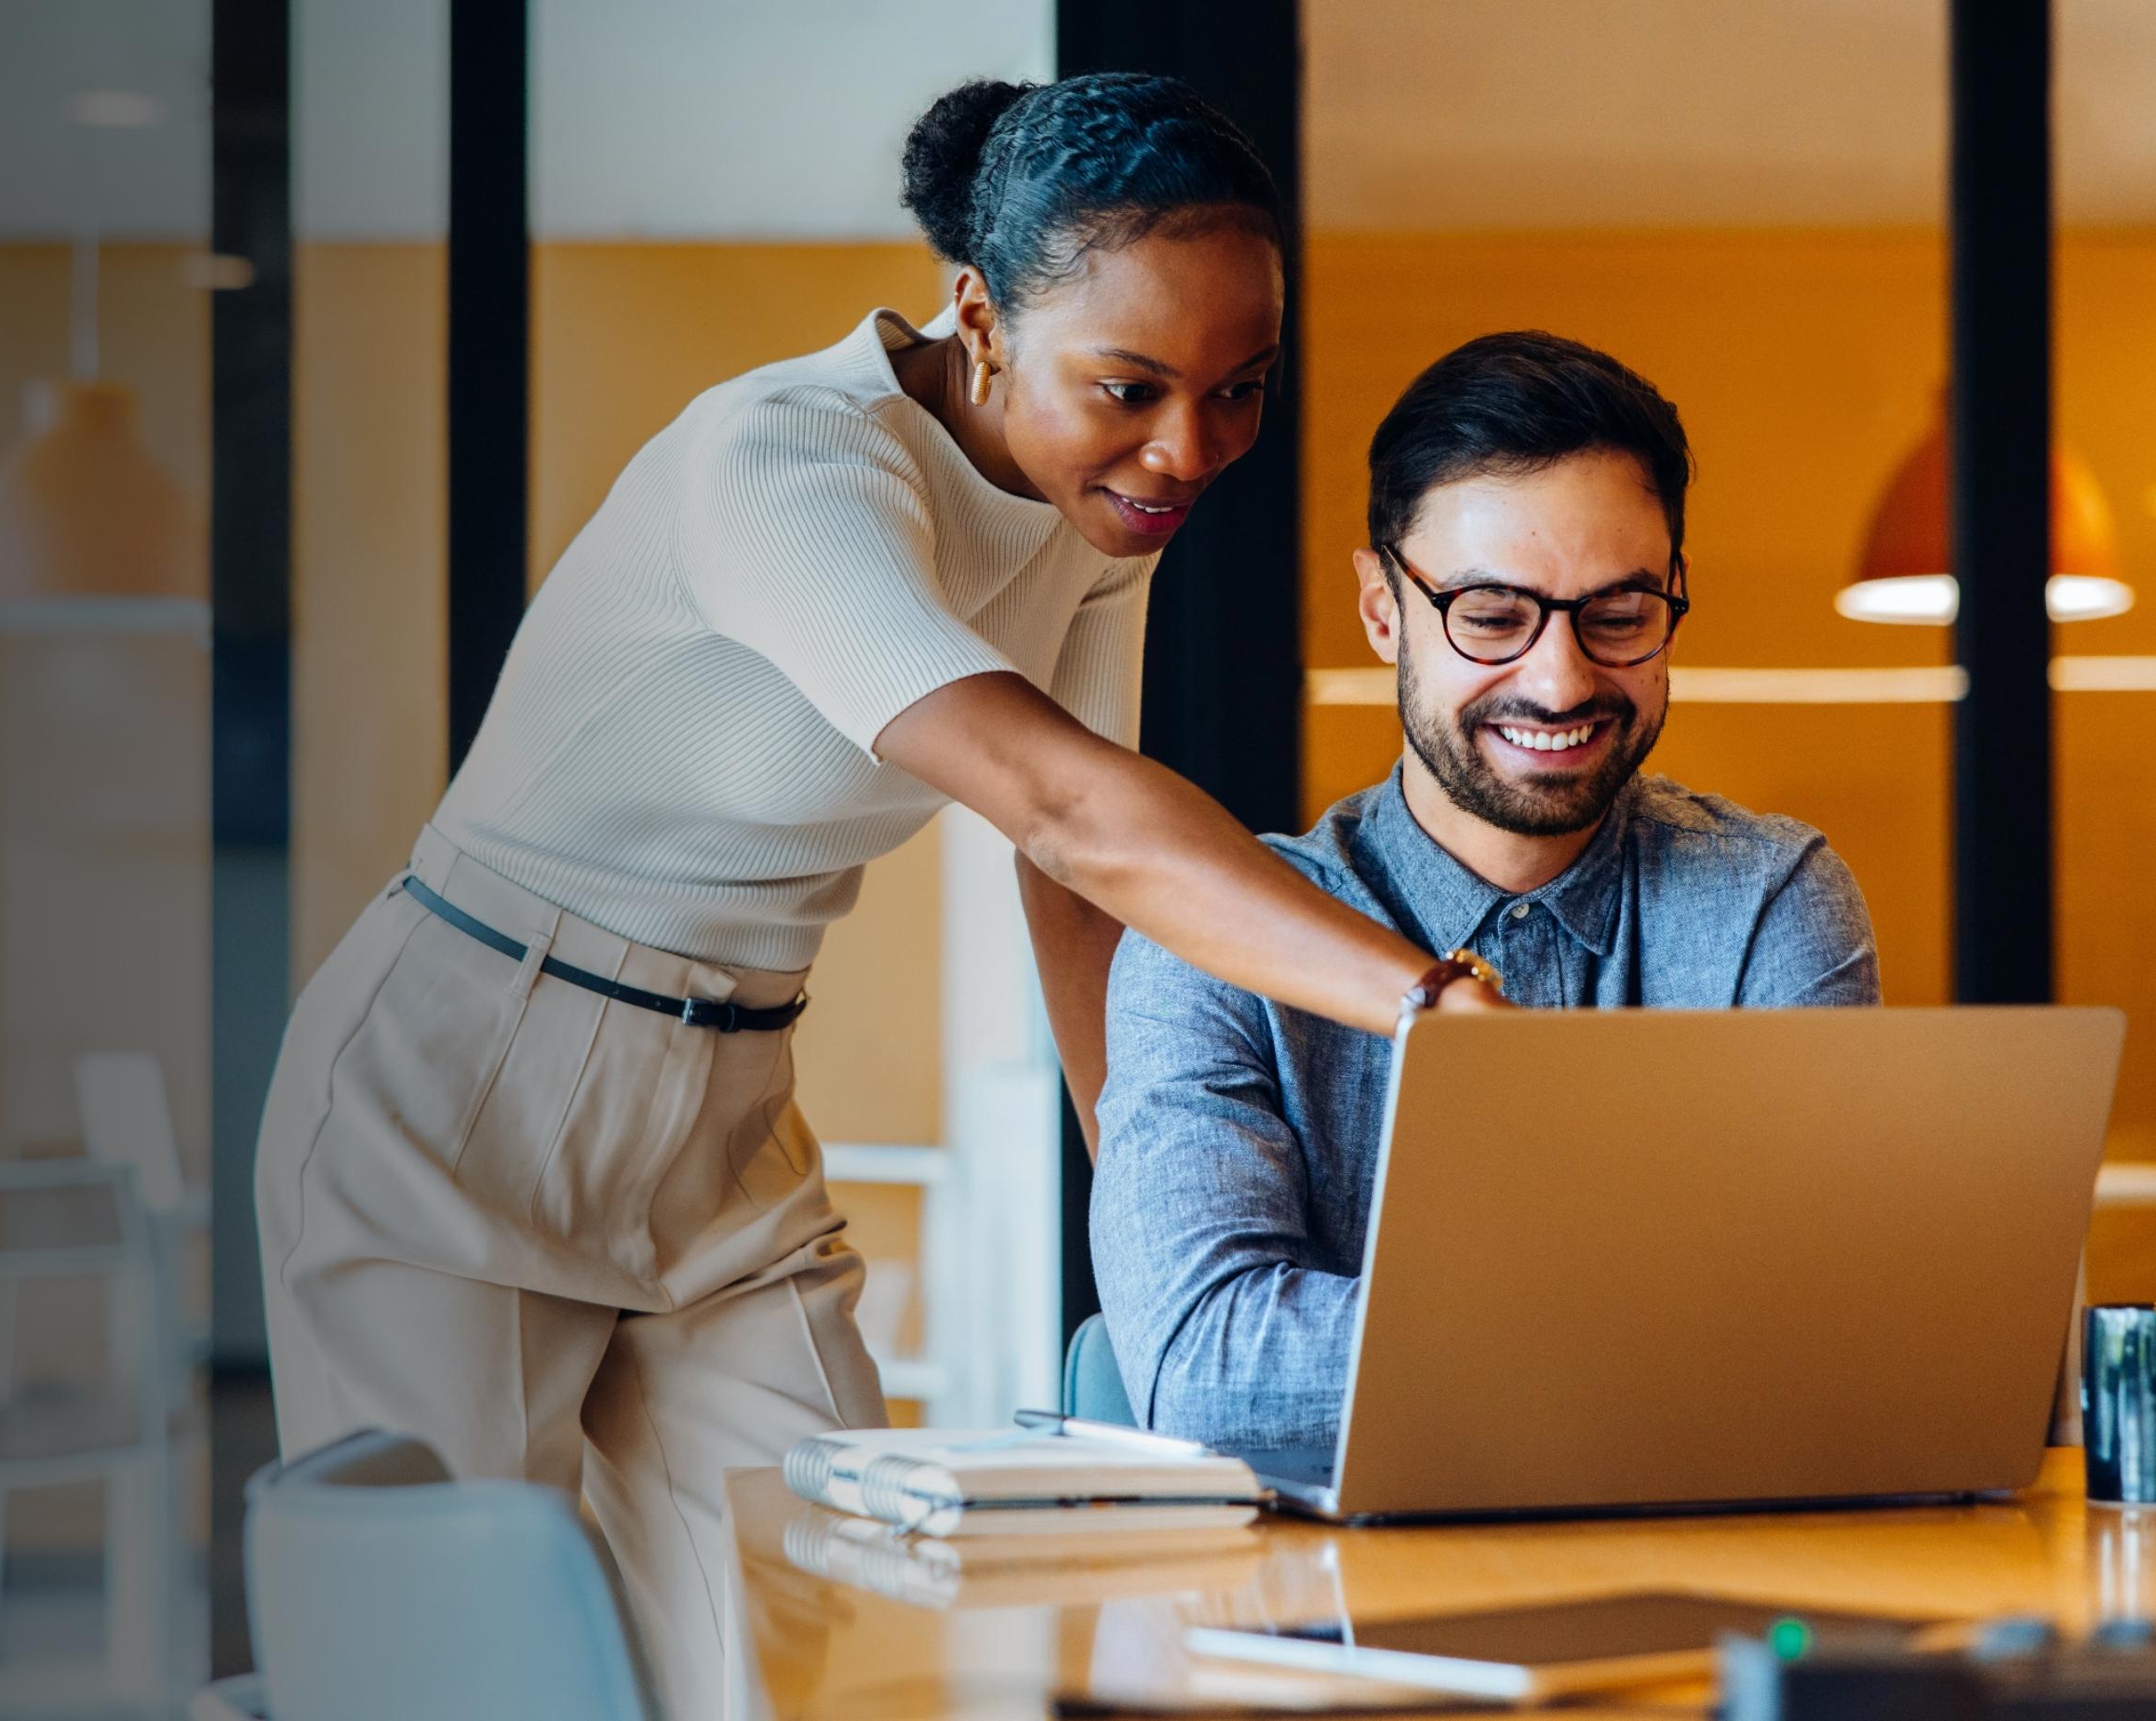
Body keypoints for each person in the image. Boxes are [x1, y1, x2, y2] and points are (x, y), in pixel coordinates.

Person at [255, 74, 1505, 1719]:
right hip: (458, 1079)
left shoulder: (1097, 517)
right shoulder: (784, 466)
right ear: (979, 316)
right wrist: (1430, 1001)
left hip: (724, 1109)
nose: (1186, 449)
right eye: (1130, 386)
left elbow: (1078, 896)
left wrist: (1150, 1232)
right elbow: (1066, 809)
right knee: (460, 1682)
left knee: (835, 1640)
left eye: (1240, 391)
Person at [1087, 331, 1883, 1451]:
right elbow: (1209, 1371)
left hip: (1701, 1593)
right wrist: (1688, 1336)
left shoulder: (1768, 902)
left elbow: (1848, 1343)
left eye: (1617, 615)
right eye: (1494, 616)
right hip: (1328, 1618)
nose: (1560, 680)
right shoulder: (1207, 941)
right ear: (1382, 609)